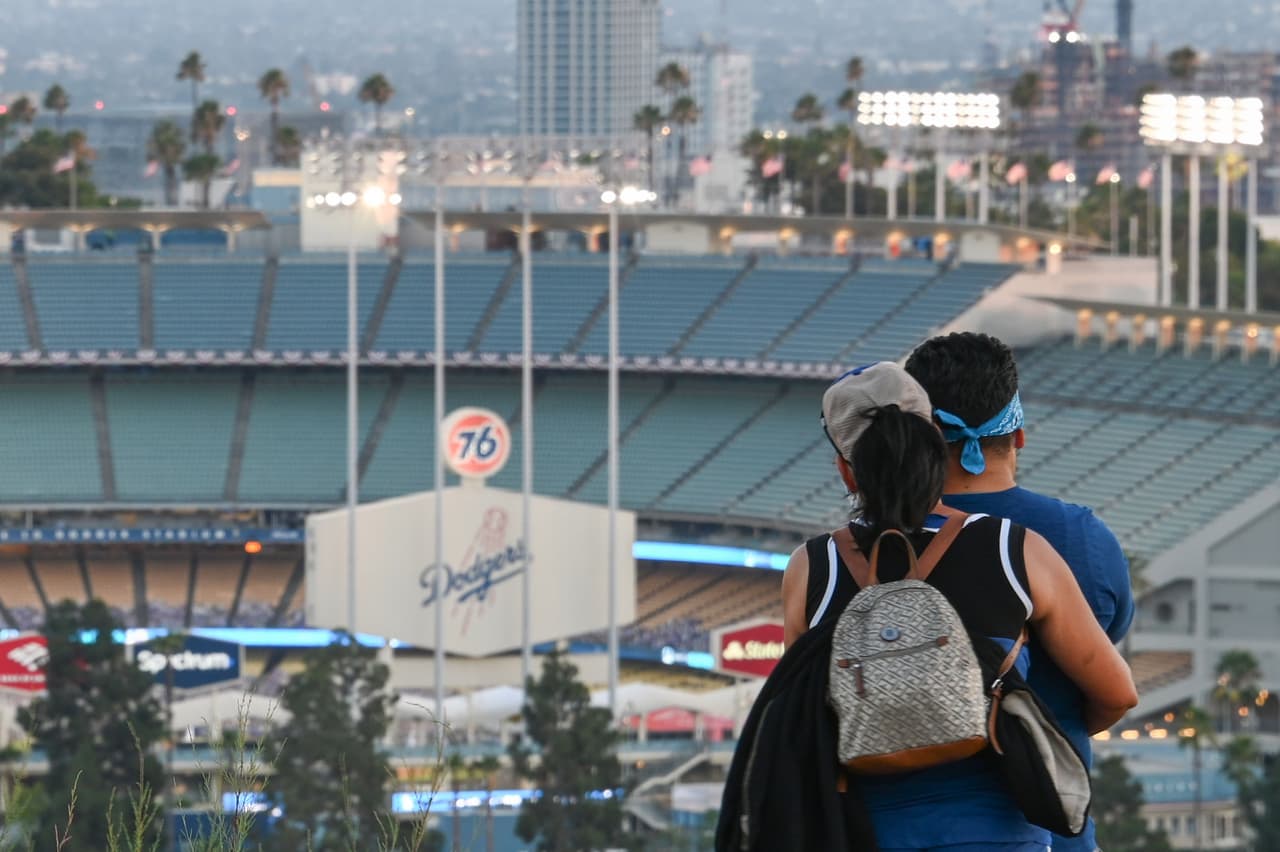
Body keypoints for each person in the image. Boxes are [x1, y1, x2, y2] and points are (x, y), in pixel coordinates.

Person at [772, 362, 1136, 851]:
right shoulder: (1013, 548)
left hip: (866, 832)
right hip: (999, 834)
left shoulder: (812, 567)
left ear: (846, 470)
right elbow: (1117, 693)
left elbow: (802, 716)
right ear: (934, 448)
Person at [905, 332, 1136, 852]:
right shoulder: (1079, 538)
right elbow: (1109, 675)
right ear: (1020, 435)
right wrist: (1059, 724)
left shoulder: (876, 544)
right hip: (1052, 822)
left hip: (908, 825)